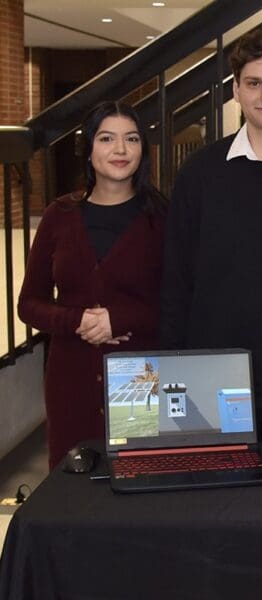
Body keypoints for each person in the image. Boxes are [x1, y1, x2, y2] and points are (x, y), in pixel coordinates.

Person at [160, 29, 262, 440]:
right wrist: (174, 376)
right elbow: (176, 281)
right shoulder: (199, 174)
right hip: (215, 382)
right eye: (254, 83)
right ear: (236, 90)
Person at [18, 101, 167, 468]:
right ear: (89, 150)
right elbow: (29, 303)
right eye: (107, 138)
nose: (120, 150)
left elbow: (182, 300)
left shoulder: (163, 217)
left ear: (142, 150)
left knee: (136, 475)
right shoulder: (59, 216)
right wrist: (76, 321)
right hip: (71, 375)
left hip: (141, 373)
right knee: (71, 487)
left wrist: (120, 319)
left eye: (131, 139)